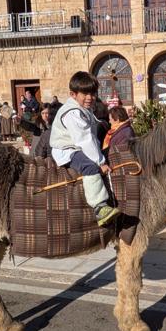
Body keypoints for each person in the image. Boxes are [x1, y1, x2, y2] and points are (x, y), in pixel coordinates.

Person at [50, 72, 120, 226]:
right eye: (85, 93)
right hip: (66, 149)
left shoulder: (83, 108)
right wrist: (100, 162)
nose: (90, 97)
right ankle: (99, 207)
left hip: (75, 145)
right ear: (73, 94)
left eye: (93, 93)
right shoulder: (72, 112)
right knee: (89, 166)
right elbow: (84, 139)